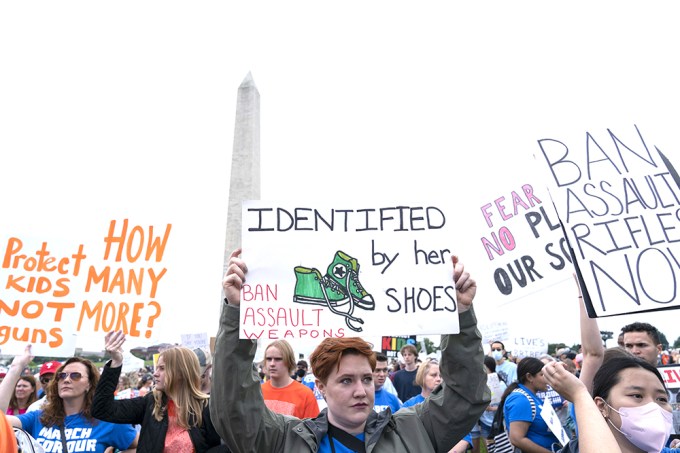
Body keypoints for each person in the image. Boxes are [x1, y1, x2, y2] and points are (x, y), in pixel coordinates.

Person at [210, 249, 489, 452]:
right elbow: (234, 409)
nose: (361, 390)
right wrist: (237, 313)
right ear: (320, 386)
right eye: (346, 380)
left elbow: (465, 396)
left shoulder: (416, 428)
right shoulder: (286, 439)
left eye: (366, 379)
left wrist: (461, 316)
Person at [92, 331, 224, 452]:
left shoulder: (207, 407)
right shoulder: (150, 403)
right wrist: (116, 362)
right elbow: (102, 409)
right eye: (156, 368)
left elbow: (222, 447)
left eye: (162, 368)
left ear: (181, 372)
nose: (155, 374)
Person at [1, 346, 138, 453]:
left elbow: (139, 446)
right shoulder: (39, 418)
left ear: (89, 384)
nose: (66, 379)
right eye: (62, 376)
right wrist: (16, 368)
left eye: (75, 376)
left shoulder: (106, 421)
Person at [501, 357, 560, 452]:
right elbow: (517, 439)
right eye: (542, 375)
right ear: (529, 377)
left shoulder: (531, 396)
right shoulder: (520, 399)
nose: (547, 380)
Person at [260, 339, 319, 419]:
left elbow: (312, 429)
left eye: (278, 359)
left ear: (289, 361)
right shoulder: (258, 392)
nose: (272, 364)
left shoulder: (305, 394)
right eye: (269, 359)